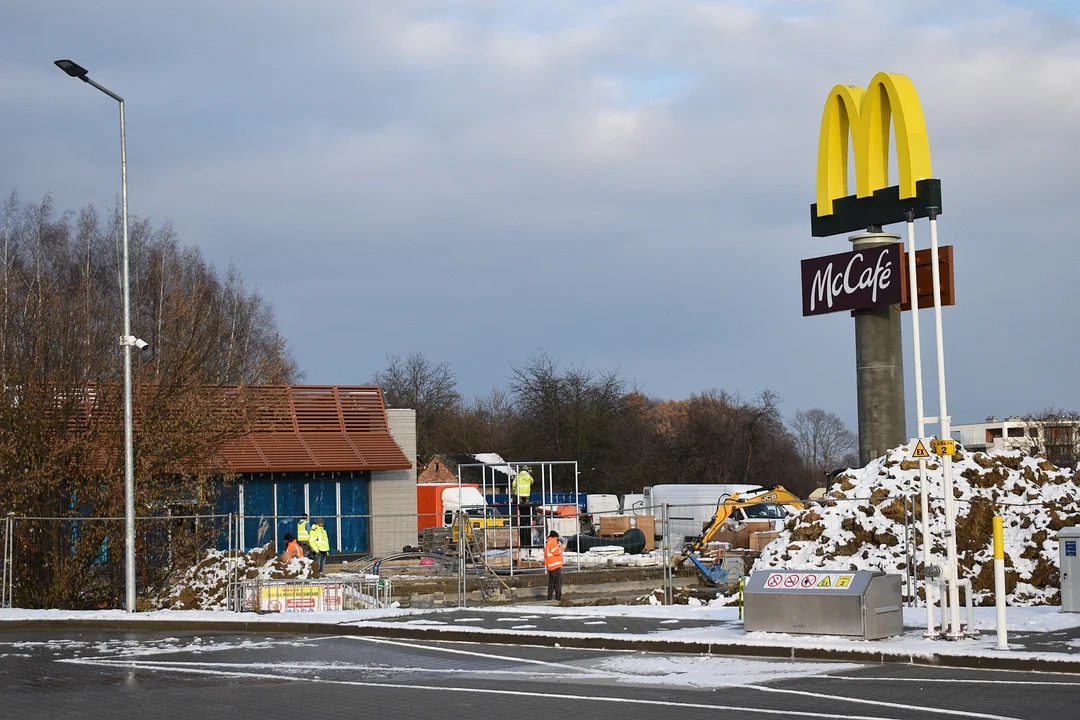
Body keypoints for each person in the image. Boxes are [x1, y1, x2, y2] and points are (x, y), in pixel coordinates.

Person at [544, 530, 564, 602]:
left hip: (550, 566)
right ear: (555, 536)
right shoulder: (553, 542)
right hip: (556, 566)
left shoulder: (548, 542)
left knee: (551, 584)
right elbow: (556, 551)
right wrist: (561, 548)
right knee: (558, 584)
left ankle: (549, 598)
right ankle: (558, 599)